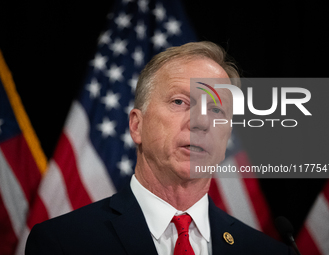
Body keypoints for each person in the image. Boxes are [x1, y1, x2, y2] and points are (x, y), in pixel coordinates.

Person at [26, 41, 293, 254]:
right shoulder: (62, 244)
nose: (200, 121)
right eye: (180, 102)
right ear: (136, 126)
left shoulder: (269, 251)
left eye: (215, 109)